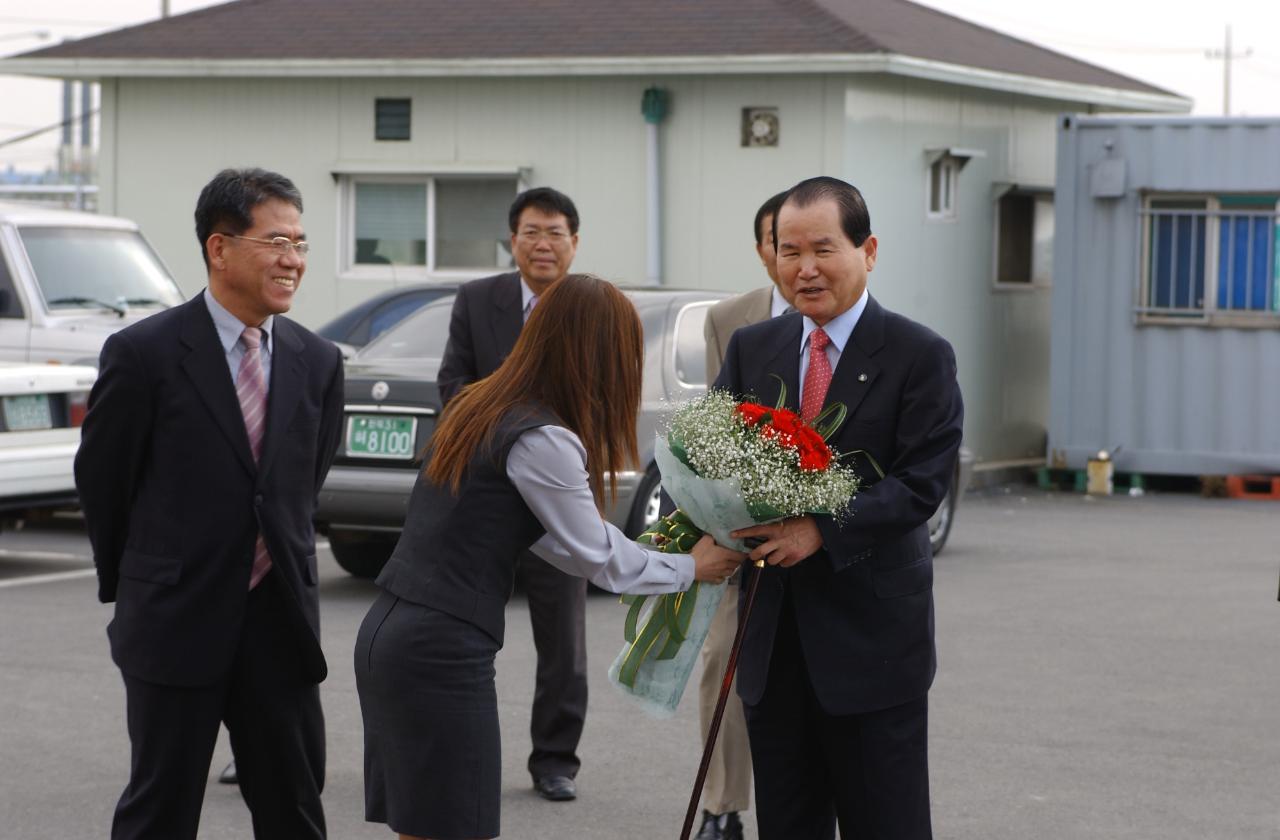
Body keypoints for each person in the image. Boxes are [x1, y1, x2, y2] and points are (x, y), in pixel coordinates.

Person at [354, 273, 743, 840]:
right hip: (439, 649)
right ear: (599, 352)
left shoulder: (481, 404)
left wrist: (650, 552)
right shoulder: (544, 436)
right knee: (457, 827)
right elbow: (596, 557)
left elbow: (552, 538)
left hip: (389, 634)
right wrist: (691, 567)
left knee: (422, 827)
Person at [73, 168, 345, 840]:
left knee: (294, 809)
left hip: (279, 627)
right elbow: (104, 484)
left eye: (302, 244)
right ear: (219, 248)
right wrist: (138, 584)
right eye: (276, 241)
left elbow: (298, 485)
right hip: (175, 620)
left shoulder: (318, 361)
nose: (293, 260)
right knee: (159, 812)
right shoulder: (144, 354)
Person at [718, 176, 964, 840]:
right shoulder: (754, 348)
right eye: (788, 251)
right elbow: (711, 457)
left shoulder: (920, 355)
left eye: (823, 249)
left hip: (873, 648)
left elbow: (920, 483)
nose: (805, 269)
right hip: (774, 640)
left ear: (869, 250)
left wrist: (820, 530)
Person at [436, 186, 591, 802]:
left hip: (561, 500)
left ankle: (555, 760)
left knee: (564, 644)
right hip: (485, 500)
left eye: (555, 232)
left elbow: (604, 399)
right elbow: (453, 383)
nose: (543, 243)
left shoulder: (591, 307)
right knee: (466, 632)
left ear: (574, 243)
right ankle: (461, 752)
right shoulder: (479, 300)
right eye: (531, 231)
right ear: (512, 240)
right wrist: (505, 436)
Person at [693, 188, 791, 840]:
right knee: (723, 659)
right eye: (781, 243)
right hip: (745, 526)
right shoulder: (732, 320)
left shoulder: (868, 331)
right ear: (765, 250)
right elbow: (715, 430)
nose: (798, 261)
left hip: (822, 528)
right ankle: (722, 809)